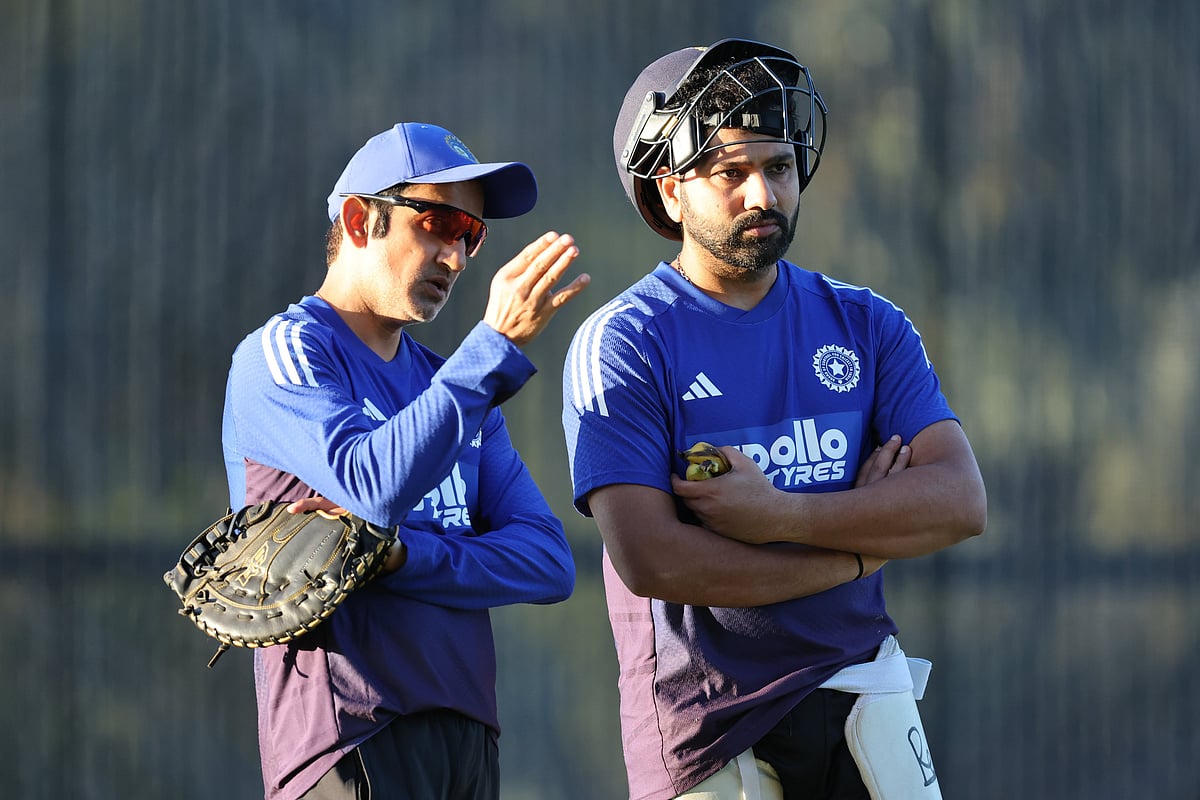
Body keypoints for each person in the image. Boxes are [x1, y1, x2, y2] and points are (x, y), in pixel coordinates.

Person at [562, 39, 986, 800]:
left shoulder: (868, 322)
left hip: (867, 690)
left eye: (780, 167)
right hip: (708, 723)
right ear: (668, 194)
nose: (764, 192)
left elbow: (959, 501)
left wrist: (778, 512)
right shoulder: (624, 341)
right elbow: (651, 559)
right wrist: (854, 549)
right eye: (731, 173)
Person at [222, 121, 590, 800]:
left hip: (468, 736)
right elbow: (371, 487)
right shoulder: (286, 352)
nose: (456, 258)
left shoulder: (458, 382)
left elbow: (548, 561)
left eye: (470, 237)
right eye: (441, 223)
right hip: (350, 737)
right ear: (361, 219)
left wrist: (404, 560)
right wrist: (492, 347)